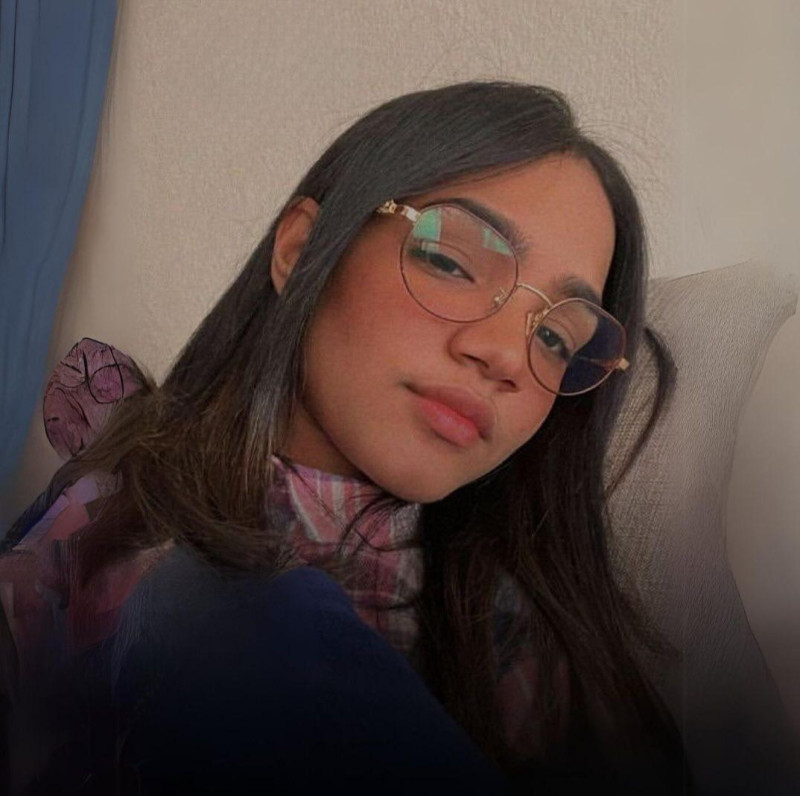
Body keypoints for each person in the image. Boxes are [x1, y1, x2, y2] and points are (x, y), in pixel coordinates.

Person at [0, 81, 687, 793]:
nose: (508, 356)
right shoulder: (121, 553)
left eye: (555, 339)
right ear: (302, 249)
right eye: (452, 262)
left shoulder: (532, 640)